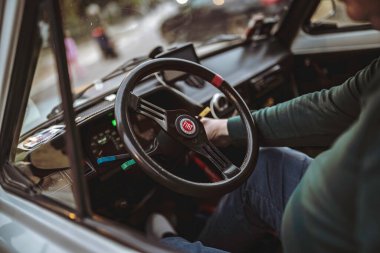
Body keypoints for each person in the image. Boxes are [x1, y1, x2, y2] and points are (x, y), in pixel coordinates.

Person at [146, 0, 380, 252]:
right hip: (336, 213)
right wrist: (226, 128)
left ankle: (166, 242)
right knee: (262, 167)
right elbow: (330, 108)